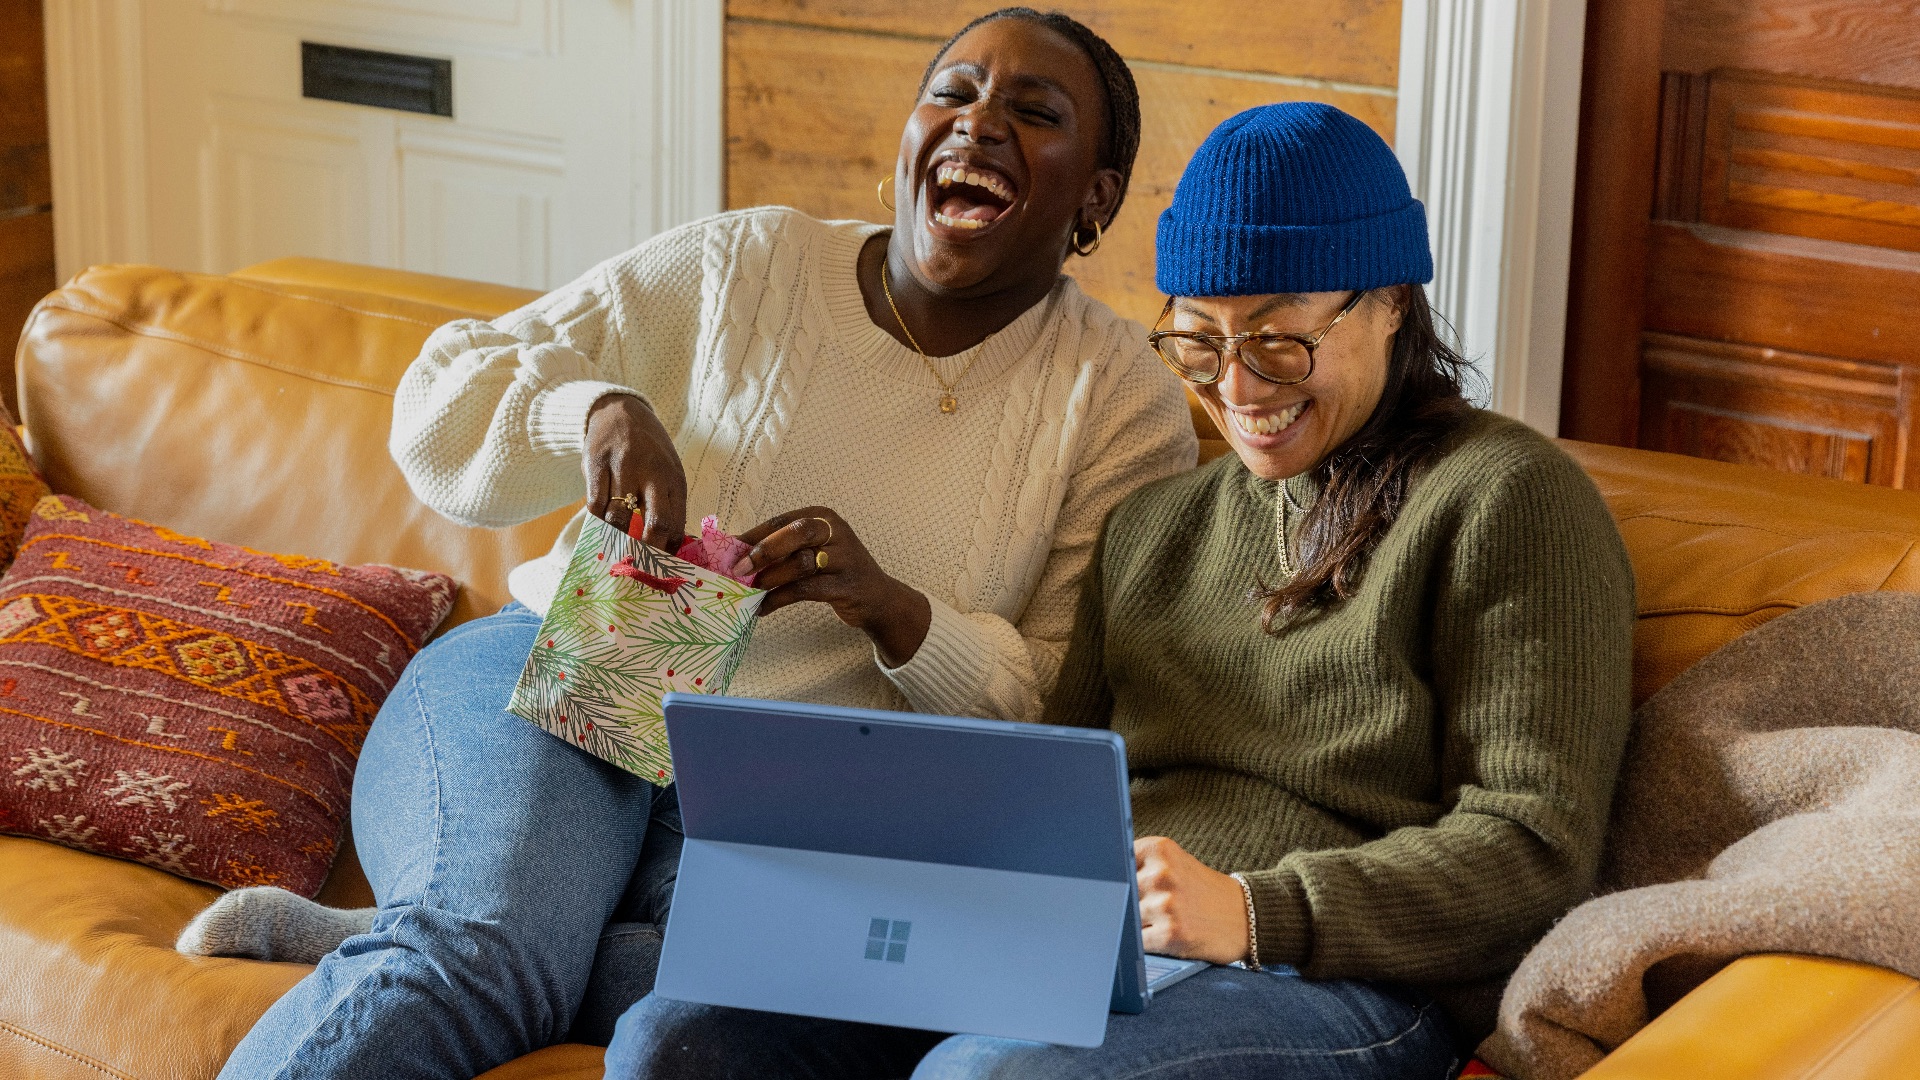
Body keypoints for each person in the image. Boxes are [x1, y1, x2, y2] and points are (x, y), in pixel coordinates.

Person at [200, 9, 1196, 1079]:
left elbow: (1062, 707)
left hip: (793, 799)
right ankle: (469, 930)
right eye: (952, 93)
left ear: (1095, 196)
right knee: (480, 956)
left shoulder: (1122, 402)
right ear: (910, 136)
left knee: (772, 995)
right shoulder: (750, 263)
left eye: (1035, 113)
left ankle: (443, 924)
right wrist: (594, 412)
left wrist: (897, 611)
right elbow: (439, 398)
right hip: (577, 668)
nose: (980, 123)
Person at [606, 103, 1636, 1080]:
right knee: (676, 1037)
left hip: (1339, 977)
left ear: (1390, 305)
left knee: (994, 1075)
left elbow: (1532, 846)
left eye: (1279, 341)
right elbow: (1050, 794)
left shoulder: (1508, 497)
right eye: (1199, 341)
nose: (1237, 390)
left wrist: (1255, 910)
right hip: (1088, 944)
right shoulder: (1153, 530)